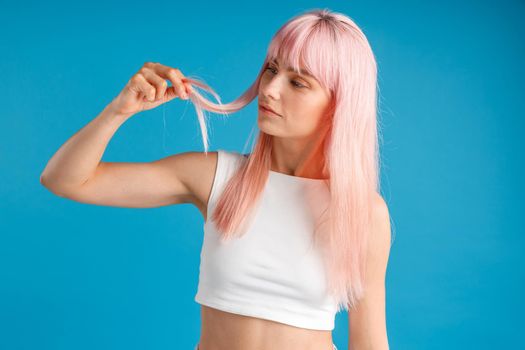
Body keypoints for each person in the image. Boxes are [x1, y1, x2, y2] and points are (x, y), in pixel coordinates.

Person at [40, 7, 392, 350]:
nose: (269, 89)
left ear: (338, 105)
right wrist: (119, 110)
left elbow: (369, 342)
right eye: (271, 69)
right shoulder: (217, 177)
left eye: (298, 82)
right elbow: (65, 180)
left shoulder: (363, 212)